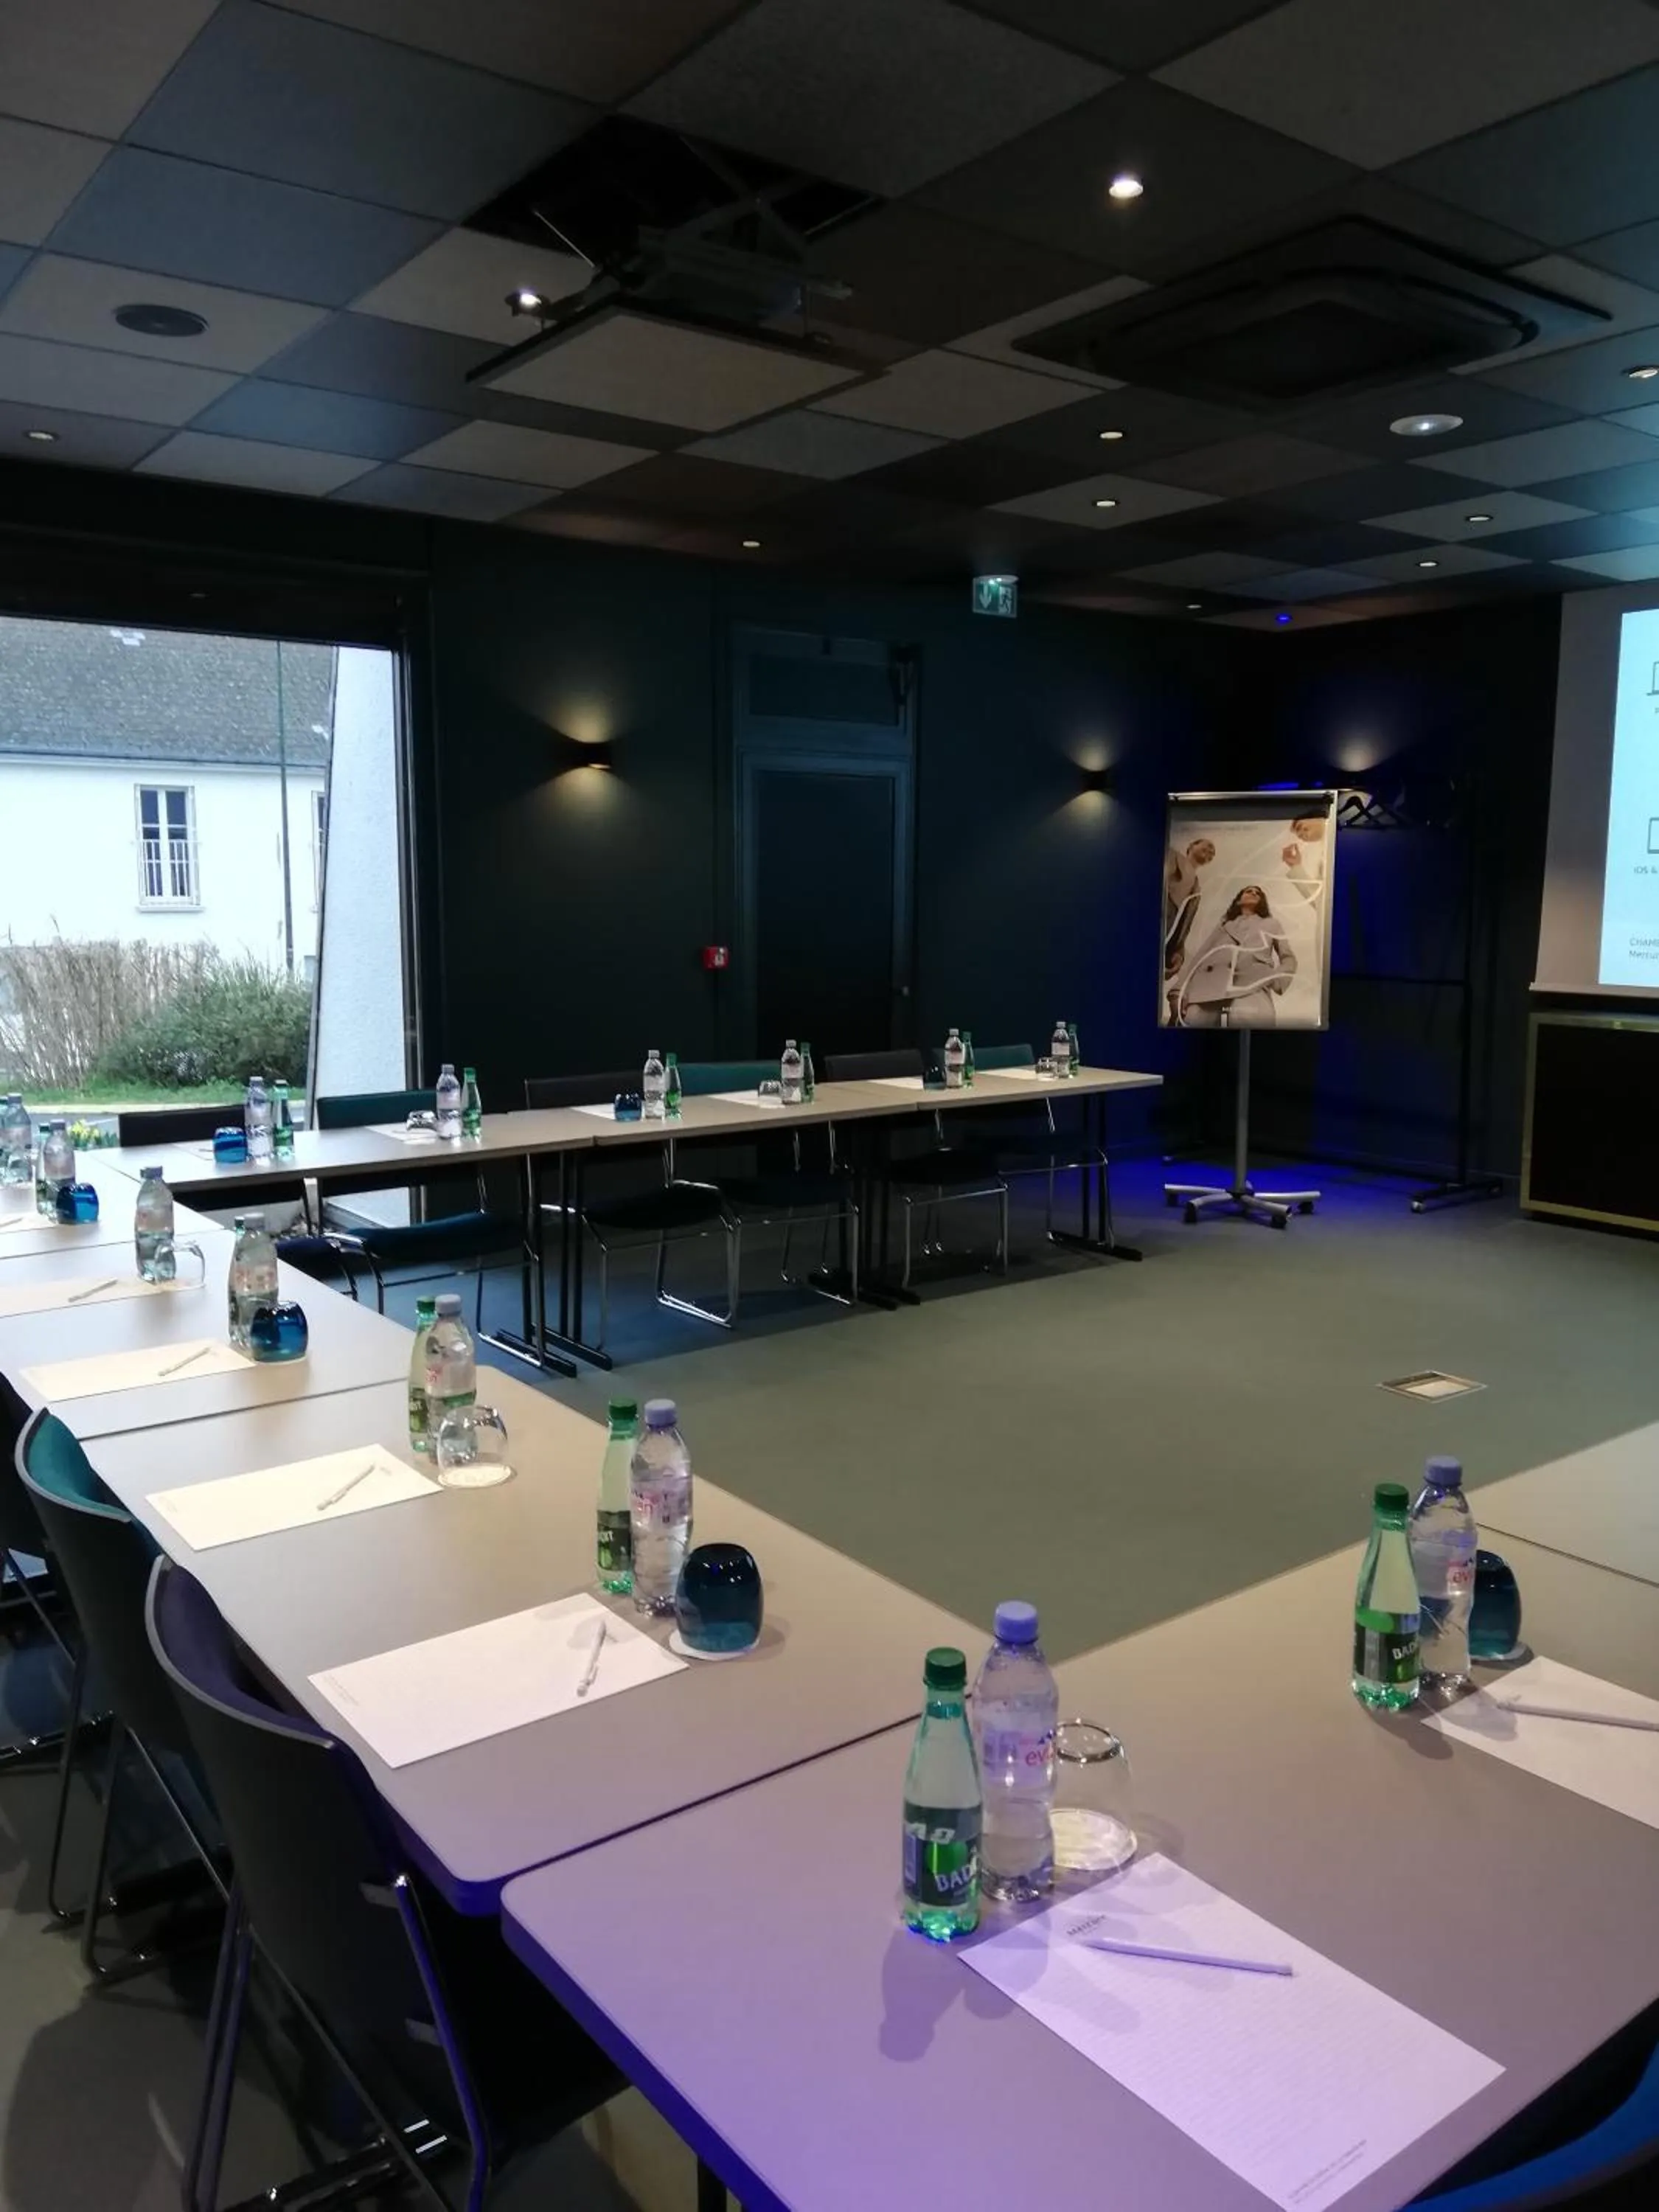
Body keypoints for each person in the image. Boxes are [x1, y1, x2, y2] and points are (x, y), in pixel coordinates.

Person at [1169, 884, 1296, 1027]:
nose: (1254, 893)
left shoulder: (1271, 924)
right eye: (1249, 891)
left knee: (1255, 1030)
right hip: (1207, 986)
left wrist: (1277, 978)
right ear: (1238, 901)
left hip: (1253, 984)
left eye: (1258, 893)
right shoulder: (1224, 925)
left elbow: (1288, 957)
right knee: (1194, 1032)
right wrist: (1179, 990)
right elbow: (1201, 956)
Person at [1164, 836, 1215, 975]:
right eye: (1208, 846)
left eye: (1212, 853)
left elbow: (1186, 925)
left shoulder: (1197, 889)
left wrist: (1179, 953)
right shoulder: (1172, 856)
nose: (1210, 851)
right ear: (1192, 845)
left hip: (1171, 927)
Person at [1280, 813, 1327, 907]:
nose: (1300, 834)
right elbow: (1321, 902)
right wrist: (1296, 867)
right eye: (1297, 833)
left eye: (1299, 827)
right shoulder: (1325, 854)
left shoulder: (1343, 841)